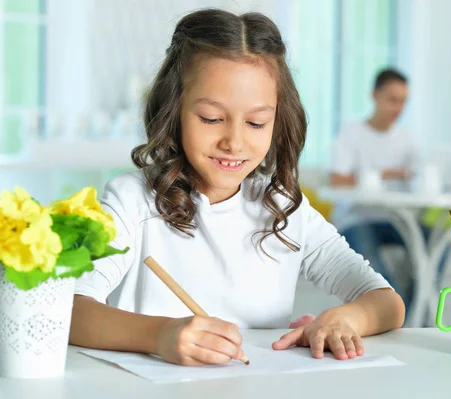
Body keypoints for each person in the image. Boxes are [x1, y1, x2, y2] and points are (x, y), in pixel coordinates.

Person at [69, 9, 405, 367]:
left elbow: (387, 302)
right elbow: (71, 309)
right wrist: (159, 334)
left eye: (256, 123)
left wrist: (345, 319)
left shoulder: (284, 207)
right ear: (174, 110)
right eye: (212, 119)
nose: (234, 142)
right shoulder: (132, 201)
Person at [329, 69, 419, 309]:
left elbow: (415, 178)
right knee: (369, 258)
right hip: (357, 219)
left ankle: (418, 304)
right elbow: (337, 179)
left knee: (438, 240)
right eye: (392, 100)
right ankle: (402, 311)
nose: (398, 108)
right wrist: (387, 174)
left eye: (403, 102)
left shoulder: (407, 139)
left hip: (397, 219)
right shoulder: (352, 133)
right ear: (374, 96)